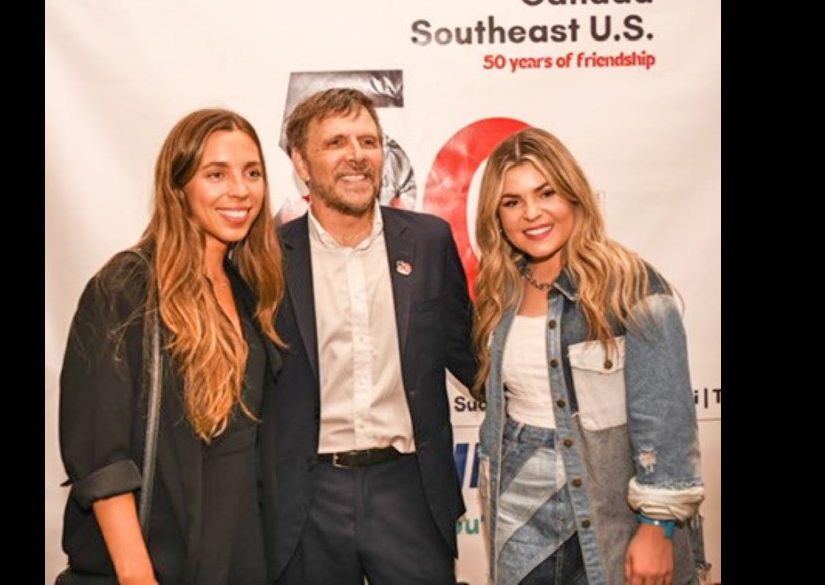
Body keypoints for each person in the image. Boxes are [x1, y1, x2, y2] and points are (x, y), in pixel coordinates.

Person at [58, 109, 285, 585]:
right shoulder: (127, 286)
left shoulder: (249, 289)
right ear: (178, 186)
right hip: (161, 563)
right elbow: (103, 458)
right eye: (216, 174)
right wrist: (137, 576)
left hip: (243, 556)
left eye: (253, 173)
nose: (240, 191)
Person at [472, 128, 706, 585]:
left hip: (609, 513)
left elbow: (667, 418)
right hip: (518, 509)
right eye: (512, 202)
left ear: (575, 196)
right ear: (496, 217)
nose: (532, 213)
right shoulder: (499, 293)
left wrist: (657, 525)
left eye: (546, 193)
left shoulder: (629, 285)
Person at [274, 88, 477, 585]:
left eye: (368, 140)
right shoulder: (268, 256)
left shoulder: (428, 242)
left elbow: (471, 358)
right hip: (306, 497)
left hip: (408, 488)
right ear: (301, 162)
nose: (357, 155)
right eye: (336, 142)